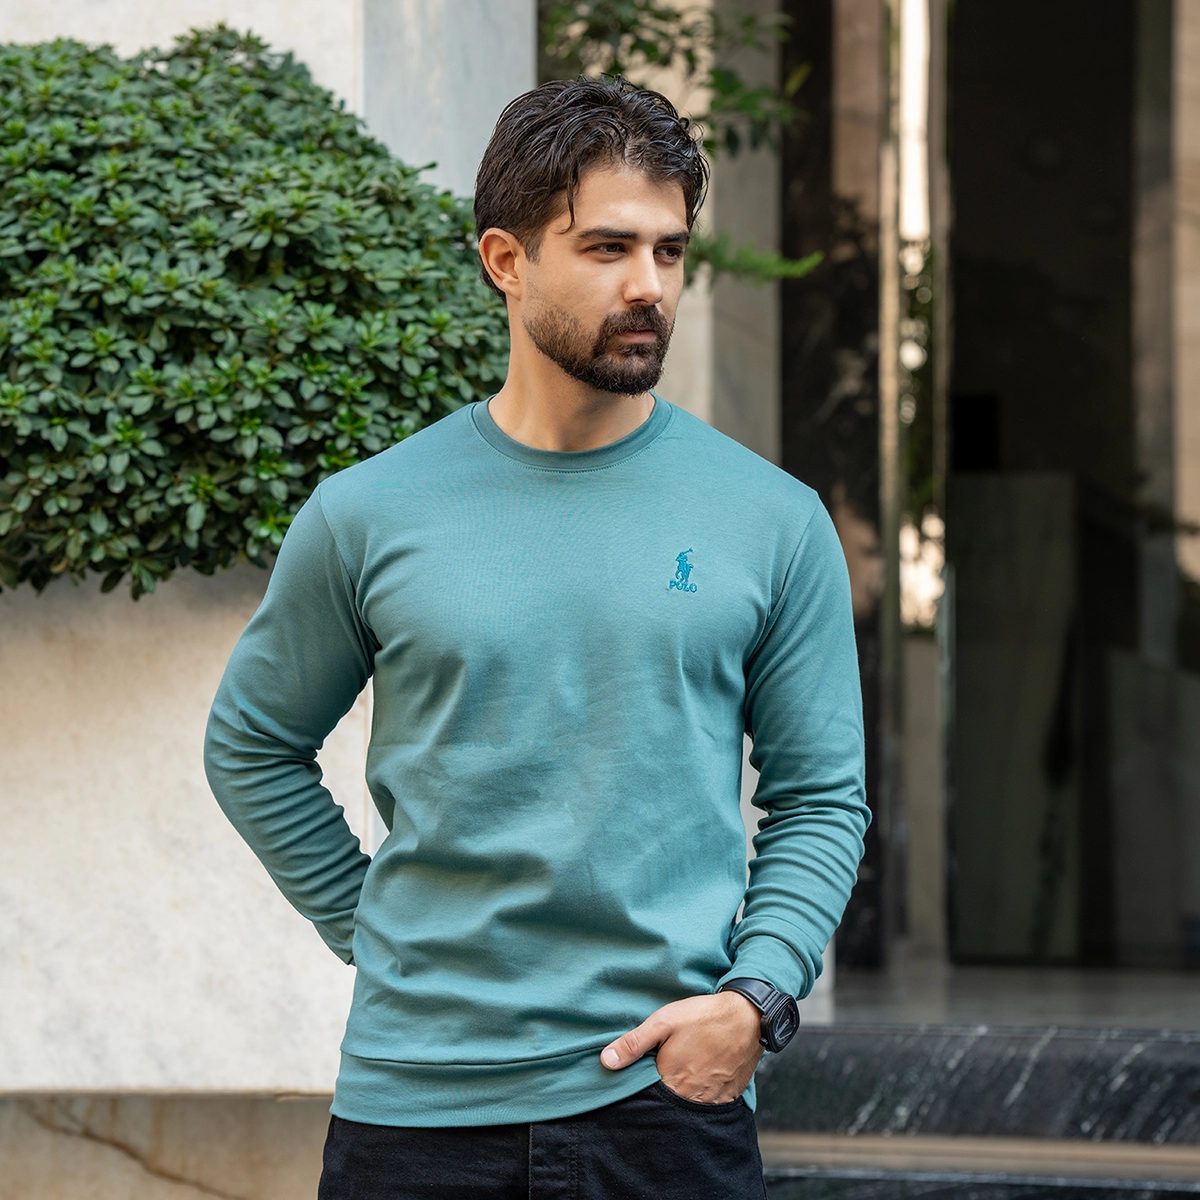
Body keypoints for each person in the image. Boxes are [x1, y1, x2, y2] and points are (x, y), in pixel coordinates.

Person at [204, 75, 868, 1200]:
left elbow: (821, 797)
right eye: (607, 248)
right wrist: (373, 930)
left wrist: (755, 998)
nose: (648, 284)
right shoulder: (368, 513)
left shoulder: (773, 520)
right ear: (505, 261)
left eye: (669, 250)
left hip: (666, 1108)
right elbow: (253, 745)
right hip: (415, 1116)